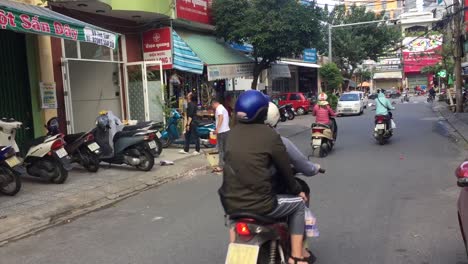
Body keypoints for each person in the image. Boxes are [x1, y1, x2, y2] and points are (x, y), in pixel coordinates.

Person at [219, 90, 310, 264]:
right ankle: (296, 257)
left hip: (230, 203)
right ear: (263, 112)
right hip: (263, 205)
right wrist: (298, 191)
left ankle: (236, 248)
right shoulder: (270, 136)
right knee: (299, 205)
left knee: (232, 219)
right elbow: (286, 170)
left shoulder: (231, 135)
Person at [211, 98, 230, 172]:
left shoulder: (219, 109)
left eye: (212, 105)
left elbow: (221, 118)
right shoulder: (223, 108)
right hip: (226, 130)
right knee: (225, 149)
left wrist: (217, 129)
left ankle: (221, 166)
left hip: (221, 132)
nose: (213, 107)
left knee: (221, 150)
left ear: (214, 103)